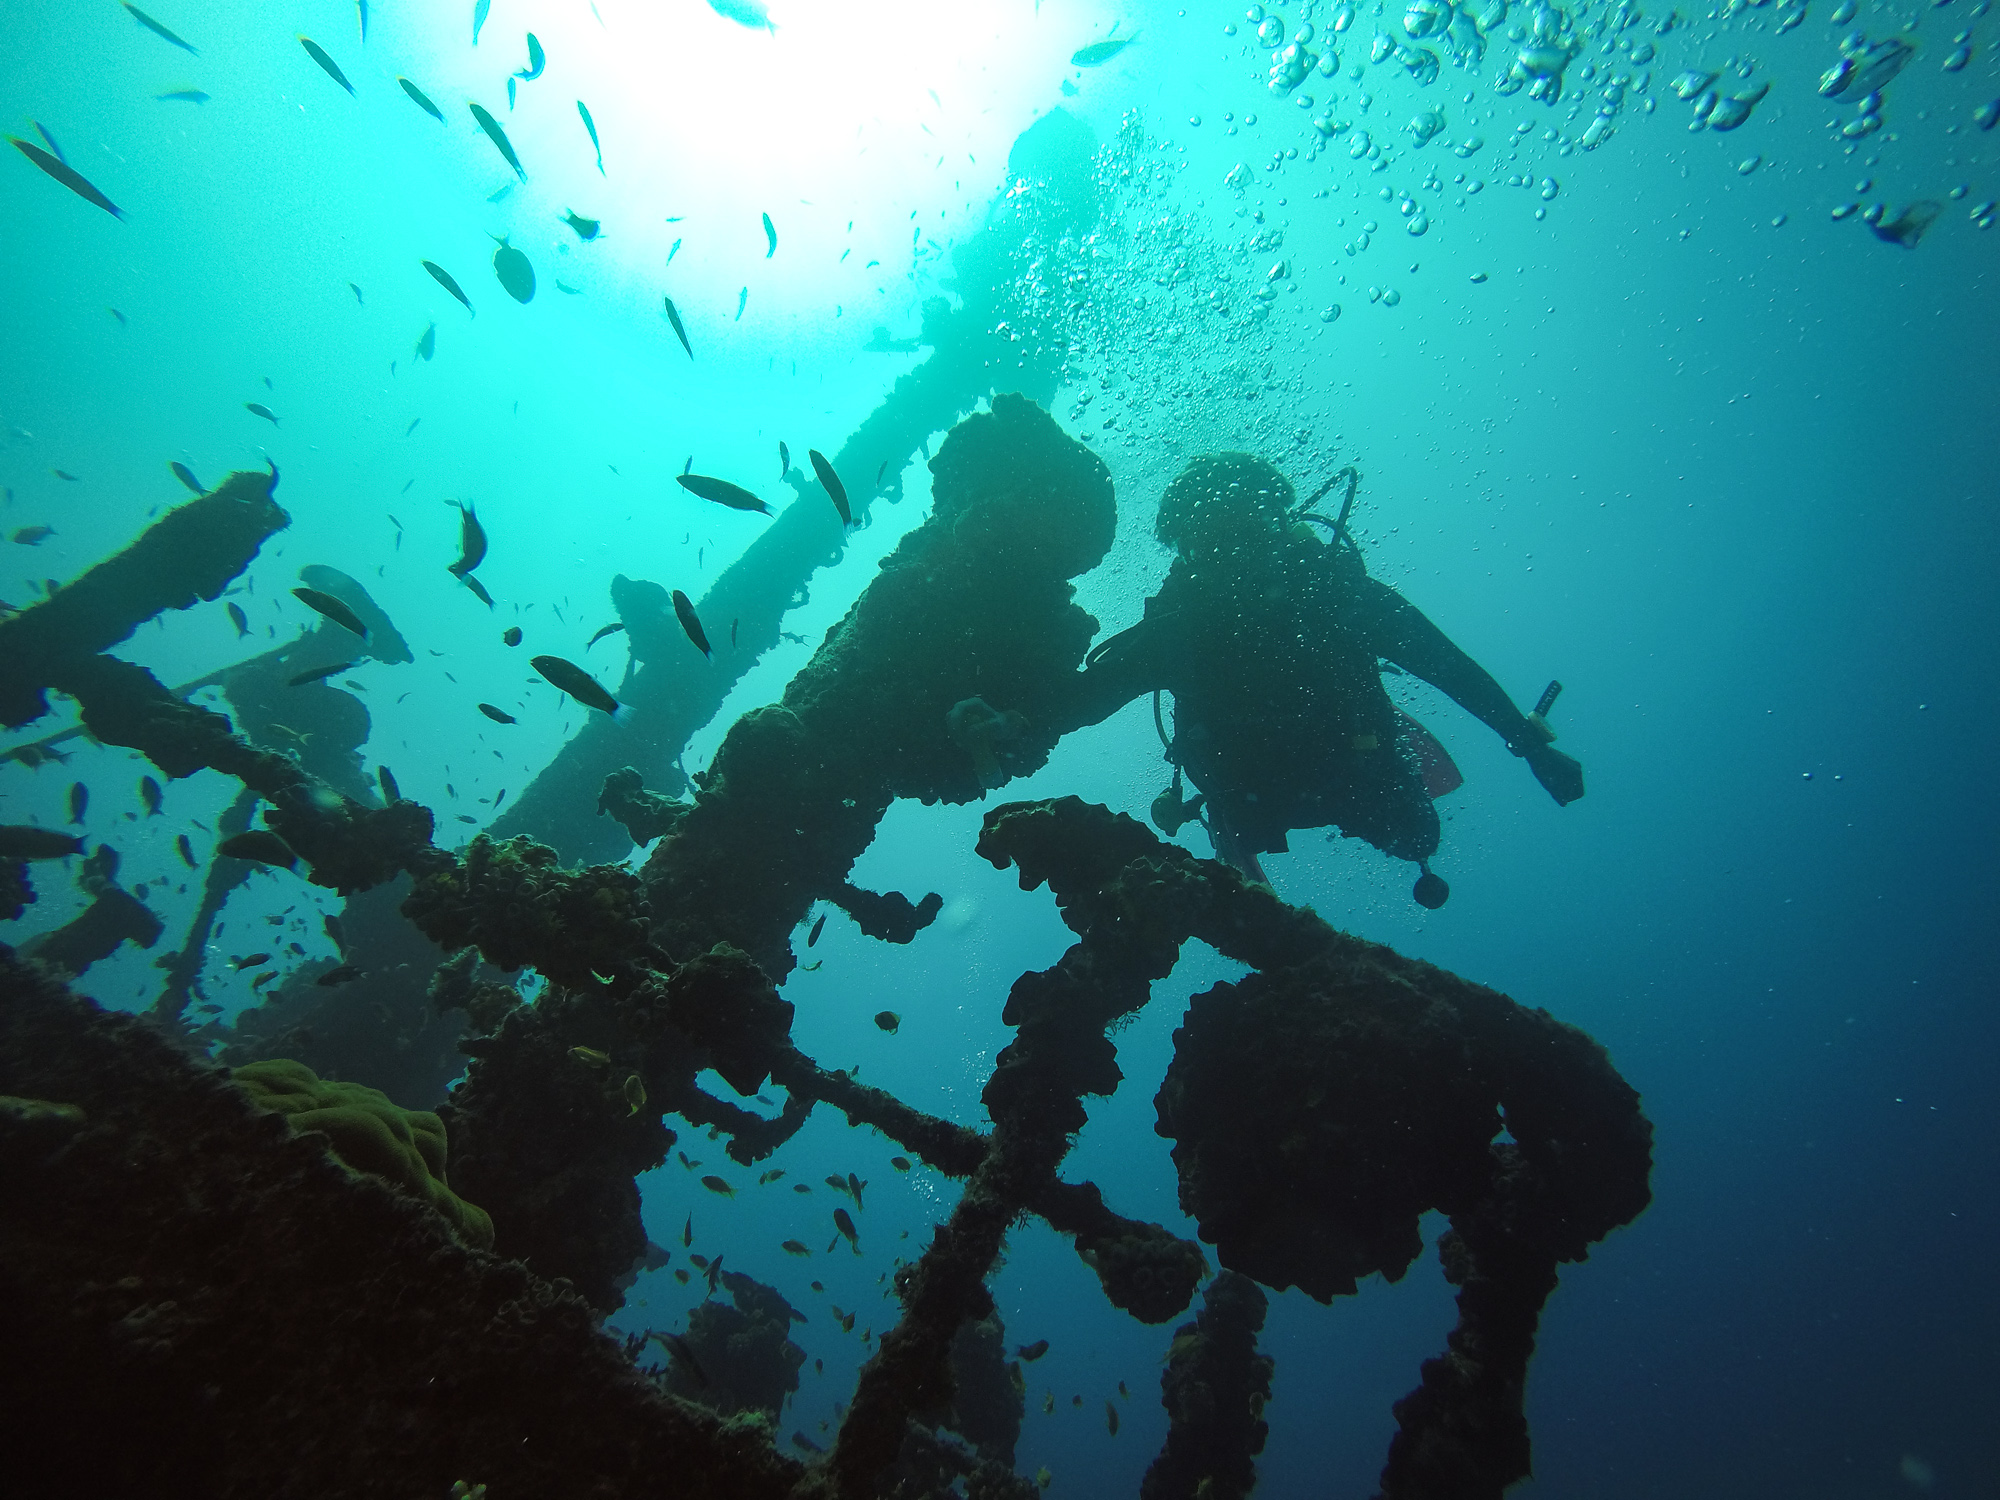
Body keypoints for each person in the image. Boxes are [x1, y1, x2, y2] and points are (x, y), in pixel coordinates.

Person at [1056, 453, 1583, 905]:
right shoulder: (1181, 629)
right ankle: (1233, 820)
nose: (1237, 555)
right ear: (1190, 553)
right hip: (1252, 789)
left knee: (1418, 840)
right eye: (1215, 540)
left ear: (1277, 524)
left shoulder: (1337, 595)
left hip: (1351, 766)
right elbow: (1084, 701)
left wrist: (1527, 742)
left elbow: (1445, 666)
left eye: (1245, 531)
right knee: (1401, 838)